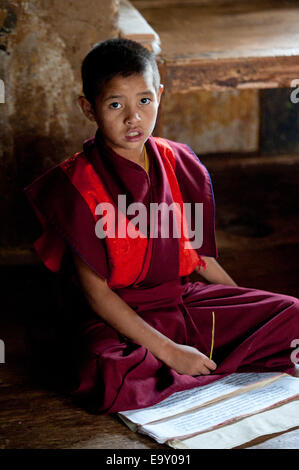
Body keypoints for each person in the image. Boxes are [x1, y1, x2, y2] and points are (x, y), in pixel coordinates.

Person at [24, 38, 299, 414]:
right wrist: (169, 351)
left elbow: (198, 257)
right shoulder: (75, 184)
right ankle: (189, 362)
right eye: (115, 104)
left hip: (182, 300)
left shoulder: (178, 161)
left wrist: (246, 308)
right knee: (106, 369)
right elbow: (97, 295)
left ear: (160, 95)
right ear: (88, 108)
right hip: (119, 317)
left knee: (292, 314)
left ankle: (188, 367)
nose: (133, 118)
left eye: (144, 100)